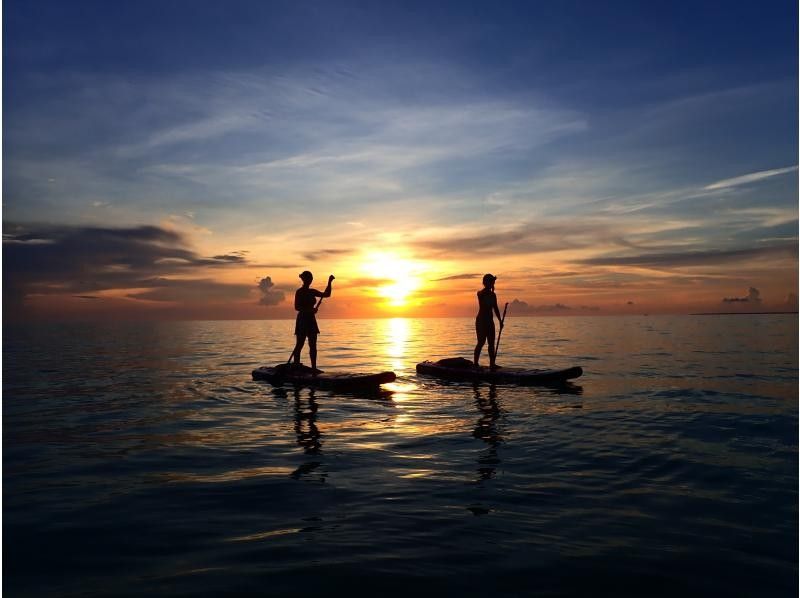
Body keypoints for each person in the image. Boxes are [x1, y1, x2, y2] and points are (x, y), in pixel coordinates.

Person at [291, 271, 334, 372]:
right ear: (304, 279)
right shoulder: (299, 292)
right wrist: (310, 310)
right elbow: (297, 307)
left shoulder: (312, 291)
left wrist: (329, 282)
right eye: (308, 278)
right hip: (302, 320)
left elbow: (326, 294)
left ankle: (314, 368)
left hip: (311, 320)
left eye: (311, 279)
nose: (310, 280)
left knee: (313, 345)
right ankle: (296, 366)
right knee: (300, 344)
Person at [474, 273, 503, 370]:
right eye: (491, 282)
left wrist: (500, 321)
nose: (493, 284)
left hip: (490, 322)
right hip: (481, 321)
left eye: (493, 282)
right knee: (481, 342)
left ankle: (492, 364)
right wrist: (489, 290)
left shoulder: (493, 295)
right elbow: (480, 294)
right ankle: (475, 363)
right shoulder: (481, 294)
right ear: (486, 283)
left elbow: (496, 308)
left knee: (491, 343)